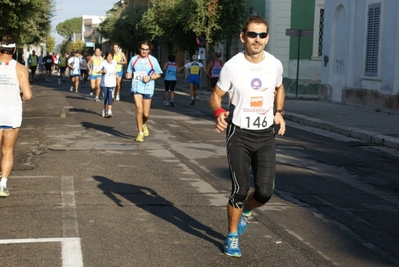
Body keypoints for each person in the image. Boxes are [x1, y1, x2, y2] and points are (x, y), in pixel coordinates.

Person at [209, 15, 286, 257]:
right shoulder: (232, 65)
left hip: (265, 135)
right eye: (252, 34)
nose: (257, 39)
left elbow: (279, 88)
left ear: (267, 38)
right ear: (243, 37)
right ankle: (232, 237)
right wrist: (219, 112)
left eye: (262, 35)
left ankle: (246, 213)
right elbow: (216, 95)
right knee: (239, 190)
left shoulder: (275, 64)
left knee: (265, 192)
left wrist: (279, 112)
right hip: (239, 133)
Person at [0, 35, 32, 197]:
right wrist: (17, 96)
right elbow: (27, 95)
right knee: (7, 150)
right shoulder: (19, 68)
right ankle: (3, 184)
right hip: (11, 114)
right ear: (14, 49)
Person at [125, 41, 162, 142]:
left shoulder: (153, 60)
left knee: (146, 114)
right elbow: (129, 72)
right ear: (139, 49)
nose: (144, 51)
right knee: (139, 109)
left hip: (148, 88)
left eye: (146, 49)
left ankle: (144, 124)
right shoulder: (134, 59)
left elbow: (158, 74)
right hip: (136, 87)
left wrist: (150, 77)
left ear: (149, 50)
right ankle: (140, 133)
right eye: (142, 49)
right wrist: (128, 75)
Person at [97, 51, 117, 118]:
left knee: (110, 97)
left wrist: (116, 74)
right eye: (108, 56)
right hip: (104, 83)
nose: (109, 58)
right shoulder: (103, 63)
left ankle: (109, 111)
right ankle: (103, 110)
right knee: (105, 97)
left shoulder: (114, 63)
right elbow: (97, 70)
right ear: (106, 57)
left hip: (112, 83)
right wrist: (103, 71)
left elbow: (115, 71)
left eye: (111, 56)